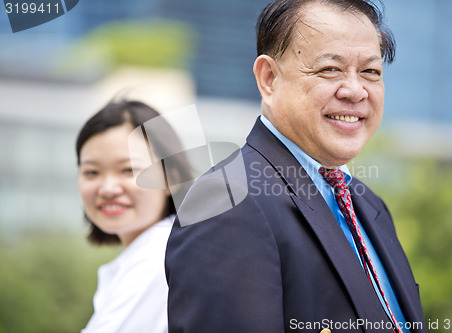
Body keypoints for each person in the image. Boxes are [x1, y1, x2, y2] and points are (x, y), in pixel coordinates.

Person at [165, 0, 427, 333]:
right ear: (269, 78)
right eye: (330, 69)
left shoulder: (369, 206)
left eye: (370, 72)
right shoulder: (224, 205)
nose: (355, 90)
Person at [77, 99, 190, 333]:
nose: (108, 188)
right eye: (92, 172)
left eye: (128, 170)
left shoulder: (160, 259)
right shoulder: (163, 250)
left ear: (172, 177)